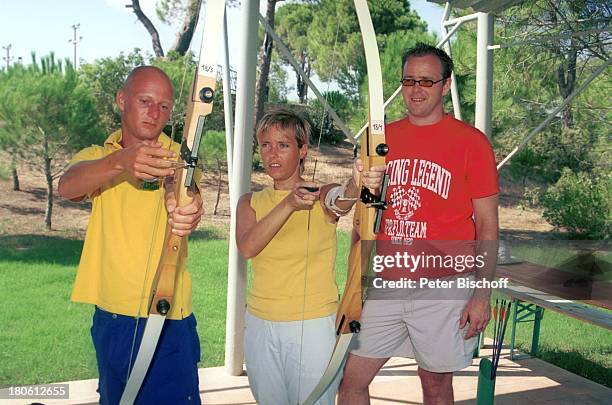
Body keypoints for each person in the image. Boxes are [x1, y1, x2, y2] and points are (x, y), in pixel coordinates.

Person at [338, 43, 499, 404]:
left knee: (436, 385)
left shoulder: (472, 143)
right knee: (351, 379)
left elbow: (487, 225)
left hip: (445, 287)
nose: (416, 89)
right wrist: (355, 279)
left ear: (445, 86)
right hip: (386, 282)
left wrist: (482, 294)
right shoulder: (377, 139)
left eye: (427, 81)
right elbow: (361, 217)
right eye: (409, 80)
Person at [58, 66, 204, 405]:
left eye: (165, 106)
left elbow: (184, 187)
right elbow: (68, 185)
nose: (155, 114)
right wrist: (122, 161)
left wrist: (184, 204)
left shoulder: (178, 158)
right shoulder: (99, 155)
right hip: (111, 316)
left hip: (167, 318)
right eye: (145, 101)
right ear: (121, 100)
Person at [235, 108, 385, 405]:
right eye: (265, 145)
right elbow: (249, 247)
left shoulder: (320, 194)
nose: (272, 154)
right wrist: (289, 204)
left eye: (283, 145)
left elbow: (340, 201)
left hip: (314, 324)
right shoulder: (250, 202)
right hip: (261, 325)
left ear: (303, 150)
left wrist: (357, 181)